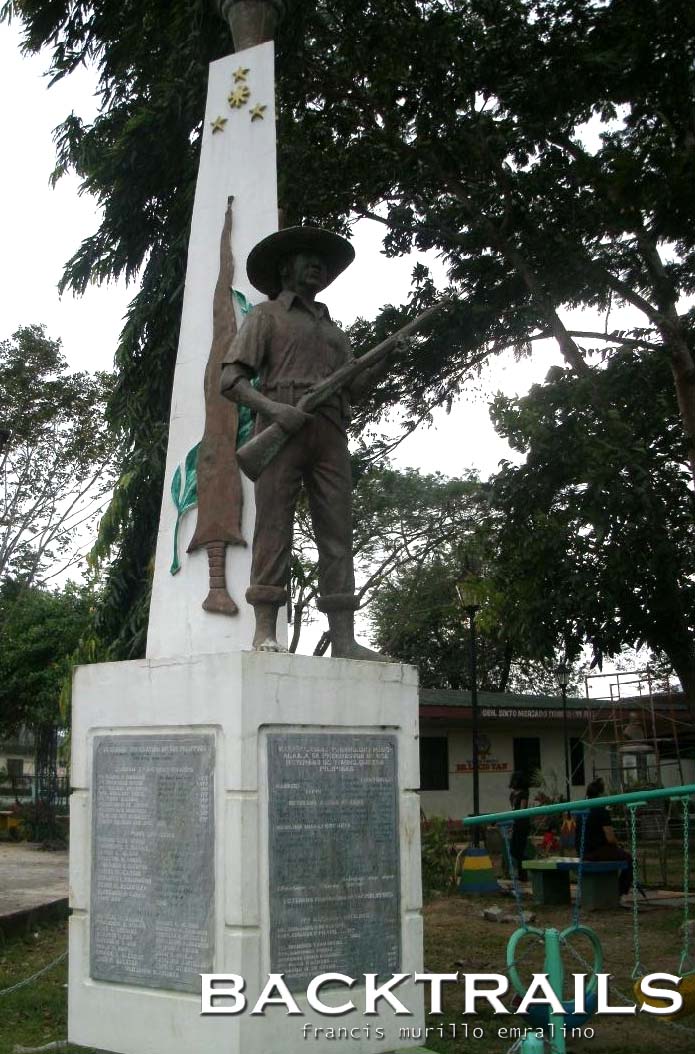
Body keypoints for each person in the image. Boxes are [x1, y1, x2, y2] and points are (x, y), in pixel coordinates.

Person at [220, 225, 386, 660]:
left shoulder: (333, 330)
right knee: (274, 527)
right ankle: (264, 632)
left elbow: (354, 390)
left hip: (330, 430)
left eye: (322, 260)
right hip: (282, 425)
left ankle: (345, 639)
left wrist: (380, 364)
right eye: (307, 257)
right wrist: (276, 412)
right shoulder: (265, 316)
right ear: (285, 267)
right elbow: (231, 380)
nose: (317, 265)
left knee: (338, 534)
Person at [575, 777, 633, 895]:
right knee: (629, 859)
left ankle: (614, 889)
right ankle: (619, 891)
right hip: (596, 852)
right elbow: (610, 838)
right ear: (600, 794)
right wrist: (619, 845)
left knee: (616, 854)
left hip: (583, 851)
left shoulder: (582, 809)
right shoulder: (601, 810)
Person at [508, 770, 531, 881]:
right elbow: (512, 809)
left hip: (522, 823)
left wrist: (516, 822)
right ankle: (525, 868)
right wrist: (512, 825)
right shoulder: (512, 794)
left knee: (519, 850)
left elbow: (522, 809)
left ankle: (523, 875)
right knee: (513, 850)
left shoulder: (524, 793)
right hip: (515, 822)